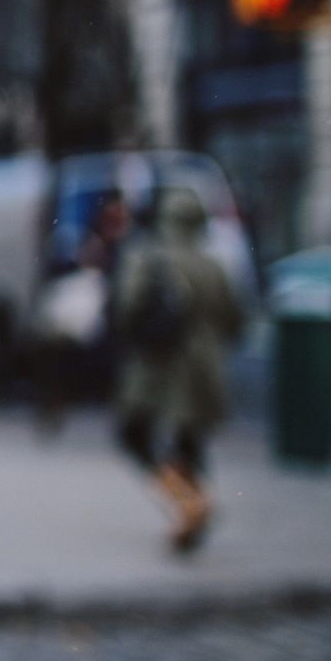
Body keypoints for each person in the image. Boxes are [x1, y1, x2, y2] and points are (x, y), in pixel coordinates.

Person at [112, 187, 244, 554]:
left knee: (133, 433)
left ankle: (187, 503)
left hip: (158, 365)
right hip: (204, 368)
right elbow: (235, 320)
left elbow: (127, 309)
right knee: (190, 441)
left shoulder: (148, 257)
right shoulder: (214, 265)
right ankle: (193, 505)